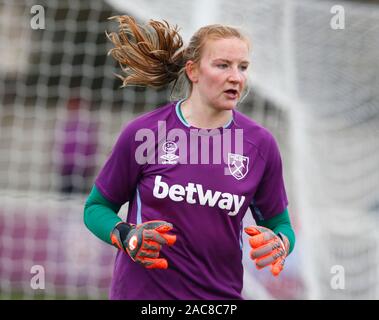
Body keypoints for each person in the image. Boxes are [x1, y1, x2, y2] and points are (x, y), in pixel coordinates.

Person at [84, 16, 295, 300]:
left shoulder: (260, 145)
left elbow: (281, 224)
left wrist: (280, 243)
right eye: (223, 65)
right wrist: (125, 235)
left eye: (242, 67)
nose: (236, 77)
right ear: (193, 71)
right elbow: (96, 208)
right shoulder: (145, 133)